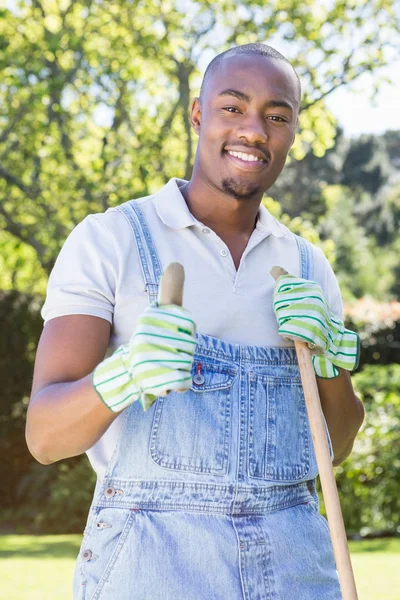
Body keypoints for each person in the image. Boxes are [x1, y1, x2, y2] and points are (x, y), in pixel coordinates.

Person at [26, 43, 364, 599]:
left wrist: (328, 359)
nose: (254, 130)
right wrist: (127, 373)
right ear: (198, 114)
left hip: (294, 568)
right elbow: (44, 436)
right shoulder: (111, 240)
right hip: (151, 567)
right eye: (233, 107)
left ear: (293, 134)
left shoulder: (306, 266)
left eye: (277, 116)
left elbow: (337, 447)